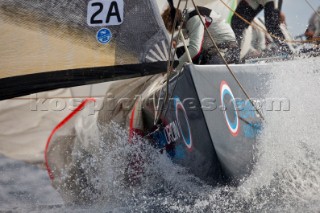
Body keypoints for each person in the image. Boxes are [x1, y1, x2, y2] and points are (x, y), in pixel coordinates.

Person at [161, 5, 240, 70]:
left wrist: (175, 66)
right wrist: (175, 40)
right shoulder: (188, 13)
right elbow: (189, 29)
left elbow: (195, 50)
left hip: (227, 52)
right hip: (216, 50)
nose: (179, 29)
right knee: (178, 52)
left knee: (189, 58)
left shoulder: (195, 19)